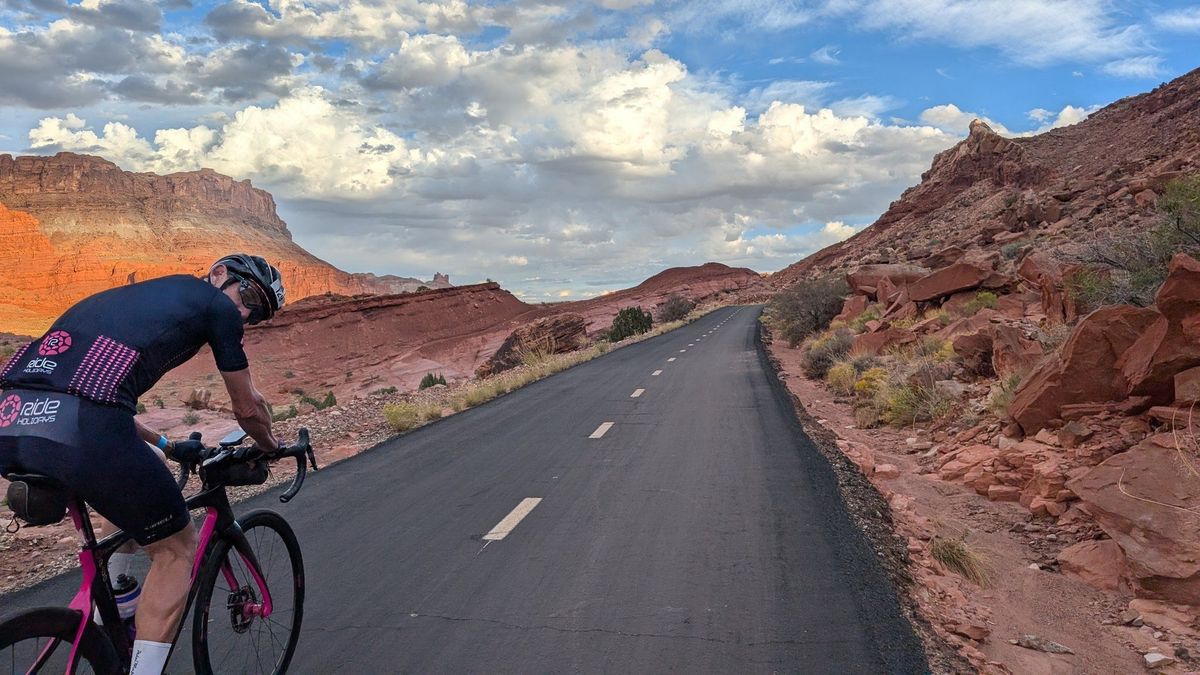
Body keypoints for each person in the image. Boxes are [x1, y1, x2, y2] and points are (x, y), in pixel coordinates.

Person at [0, 254, 285, 675]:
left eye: (257, 314)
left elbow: (91, 395)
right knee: (175, 548)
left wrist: (168, 446)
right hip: (84, 429)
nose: (245, 312)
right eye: (248, 297)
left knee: (137, 469)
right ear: (220, 274)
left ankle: (114, 596)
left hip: (13, 421)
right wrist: (271, 445)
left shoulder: (127, 298)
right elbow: (247, 406)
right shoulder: (215, 306)